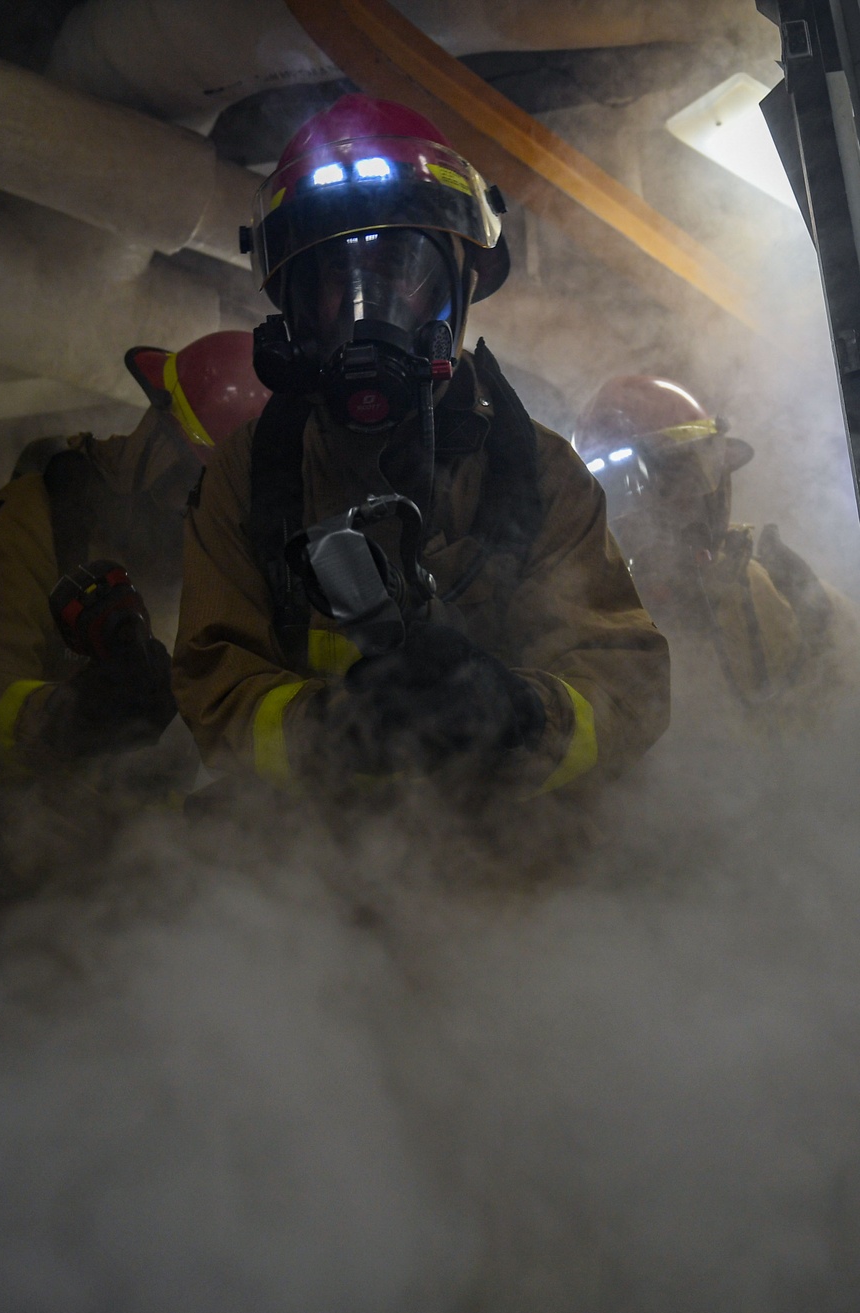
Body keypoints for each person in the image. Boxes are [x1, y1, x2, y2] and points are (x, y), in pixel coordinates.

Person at [172, 97, 670, 823]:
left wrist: (523, 717)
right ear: (298, 305)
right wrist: (342, 730)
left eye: (401, 270)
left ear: (458, 289)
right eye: (338, 277)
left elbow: (627, 683)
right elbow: (216, 695)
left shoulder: (537, 471)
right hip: (307, 897)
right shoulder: (251, 475)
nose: (369, 308)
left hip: (511, 892)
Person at [0, 330, 269, 953]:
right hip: (17, 880)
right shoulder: (34, 517)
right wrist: (72, 715)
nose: (192, 509)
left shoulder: (209, 564)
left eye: (215, 496)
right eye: (189, 479)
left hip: (143, 899)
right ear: (154, 431)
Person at [573, 375, 859, 741]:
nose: (681, 505)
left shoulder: (788, 595)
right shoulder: (591, 629)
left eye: (693, 476)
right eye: (663, 484)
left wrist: (821, 636)